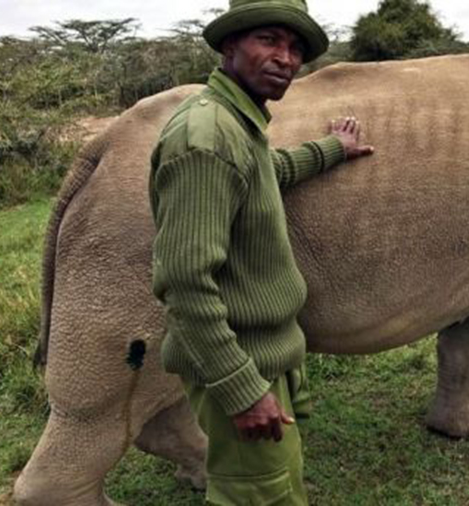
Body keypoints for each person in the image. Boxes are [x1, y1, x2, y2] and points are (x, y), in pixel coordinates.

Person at [148, 1, 373, 504]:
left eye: (294, 48)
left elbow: (265, 172)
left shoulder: (235, 122)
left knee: (275, 484)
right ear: (231, 45)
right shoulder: (205, 137)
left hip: (261, 355)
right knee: (257, 494)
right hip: (240, 362)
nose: (285, 59)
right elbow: (184, 282)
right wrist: (241, 389)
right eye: (269, 40)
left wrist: (332, 149)